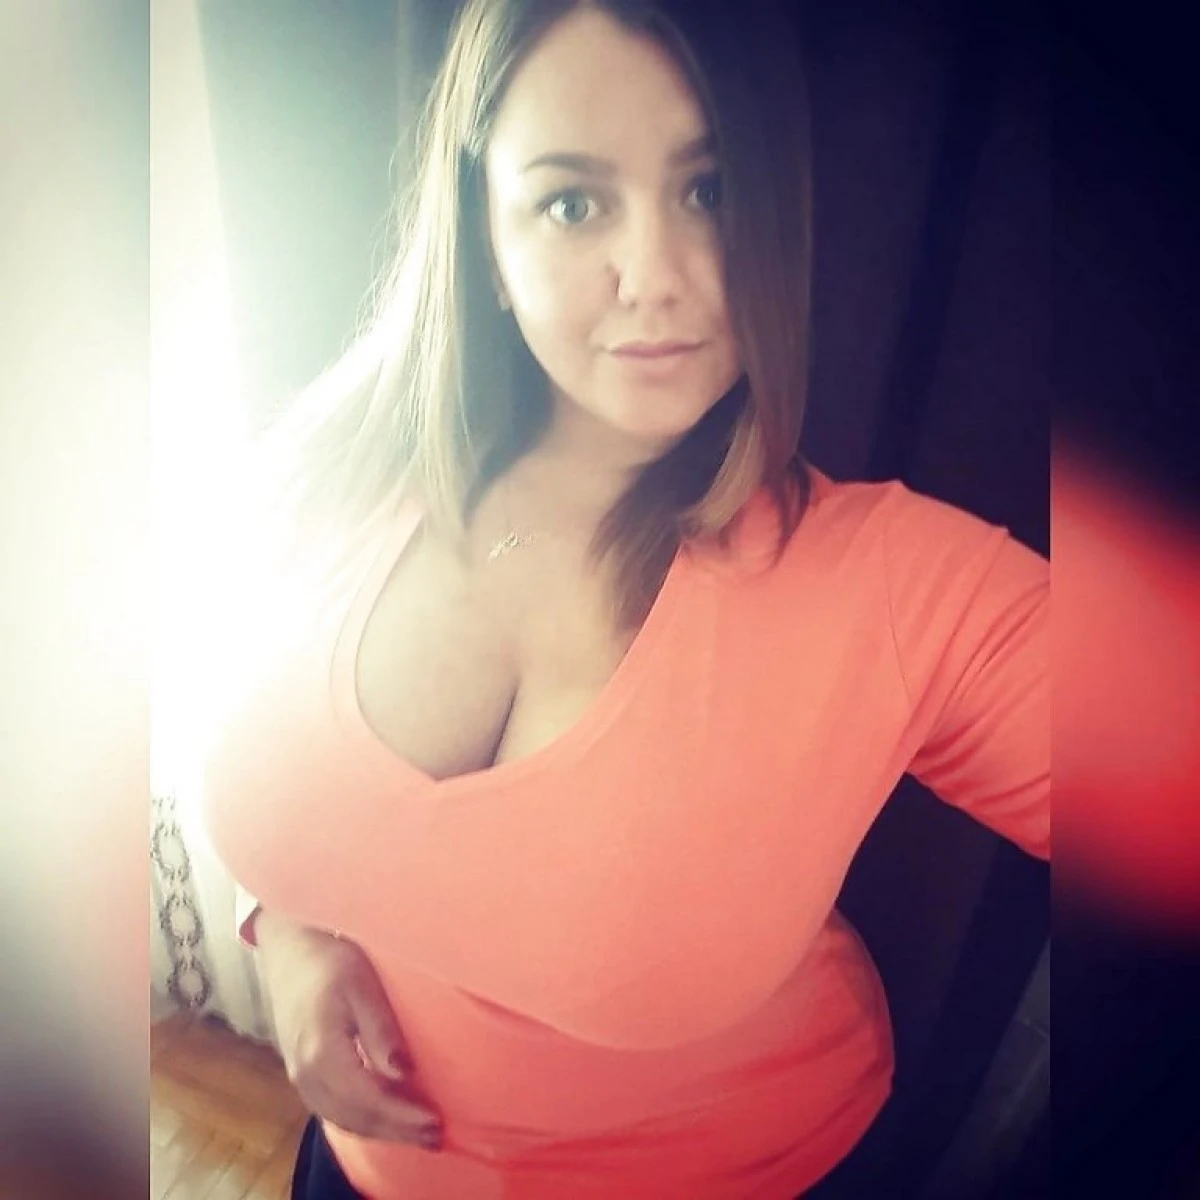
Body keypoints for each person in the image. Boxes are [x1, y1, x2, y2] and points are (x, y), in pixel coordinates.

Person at [201, 1, 1050, 1197]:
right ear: (483, 233)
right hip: (362, 1170)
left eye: (710, 191)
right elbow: (270, 761)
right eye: (572, 202)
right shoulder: (319, 473)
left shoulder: (898, 589)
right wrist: (289, 940)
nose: (655, 279)